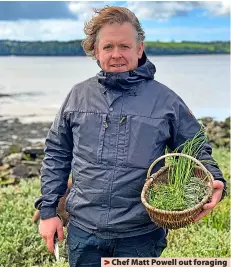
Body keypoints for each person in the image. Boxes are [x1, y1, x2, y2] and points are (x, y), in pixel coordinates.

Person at [35, 6, 226, 267]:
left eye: (124, 46)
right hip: (83, 233)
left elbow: (196, 150)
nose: (116, 55)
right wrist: (48, 212)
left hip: (140, 236)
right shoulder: (77, 96)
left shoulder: (166, 101)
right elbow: (56, 153)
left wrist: (215, 179)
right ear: (95, 50)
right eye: (108, 47)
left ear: (139, 49)